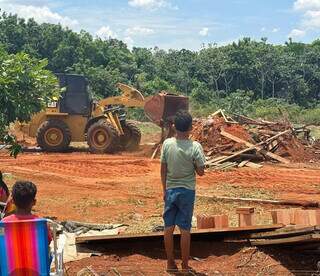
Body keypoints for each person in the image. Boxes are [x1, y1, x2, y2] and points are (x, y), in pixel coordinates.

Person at [160, 110, 206, 271]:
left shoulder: (167, 144)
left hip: (170, 190)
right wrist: (193, 164)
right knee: (185, 229)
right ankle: (185, 266)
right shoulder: (195, 147)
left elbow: (163, 169)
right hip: (187, 192)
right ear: (191, 128)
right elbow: (201, 172)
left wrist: (164, 190)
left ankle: (170, 263)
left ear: (173, 127)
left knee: (168, 228)